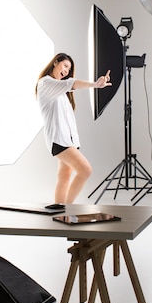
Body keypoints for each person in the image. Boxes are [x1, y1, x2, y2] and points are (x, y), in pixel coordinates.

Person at [35, 53, 111, 204]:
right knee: (85, 170)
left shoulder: (60, 92)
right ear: (56, 62)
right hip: (59, 140)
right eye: (65, 66)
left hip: (68, 141)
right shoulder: (46, 83)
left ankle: (59, 213)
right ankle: (66, 210)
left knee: (64, 178)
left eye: (69, 69)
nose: (66, 71)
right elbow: (72, 83)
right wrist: (95, 84)